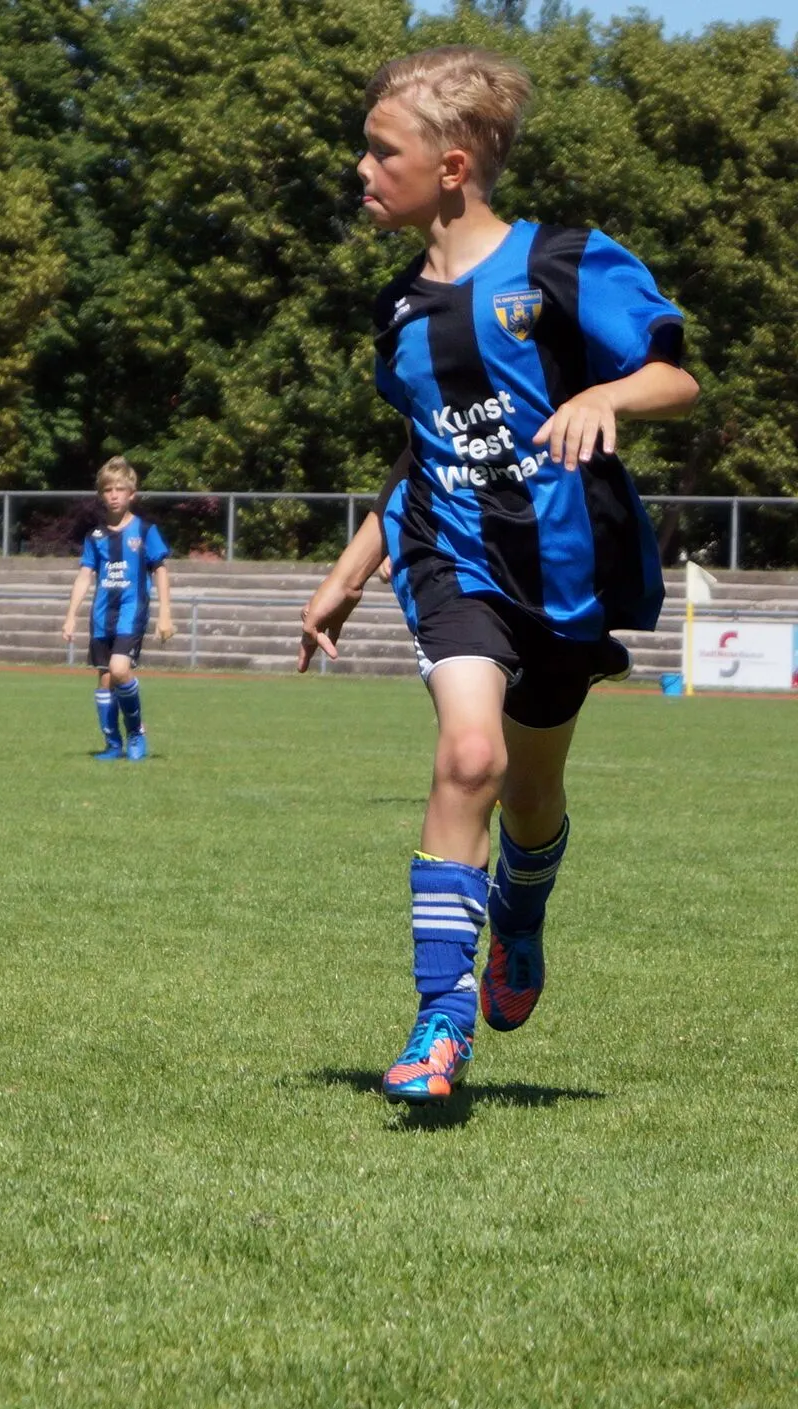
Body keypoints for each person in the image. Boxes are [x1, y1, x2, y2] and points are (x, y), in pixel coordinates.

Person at [297, 47, 699, 1104]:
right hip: (450, 559)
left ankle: (518, 916)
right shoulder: (396, 312)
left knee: (531, 794)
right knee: (469, 756)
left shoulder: (564, 262)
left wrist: (608, 396)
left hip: (565, 575)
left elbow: (676, 375)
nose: (361, 169)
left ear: (451, 166)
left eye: (381, 151)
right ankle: (441, 1017)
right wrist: (348, 570)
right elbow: (421, 455)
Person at [60, 457, 174, 760]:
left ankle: (136, 732)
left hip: (131, 611)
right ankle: (113, 745)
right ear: (102, 494)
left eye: (120, 489)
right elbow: (85, 575)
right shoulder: (95, 537)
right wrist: (71, 616)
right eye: (108, 489)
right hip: (102, 616)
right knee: (105, 680)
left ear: (131, 494)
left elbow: (160, 570)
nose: (114, 495)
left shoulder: (145, 531)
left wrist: (165, 614)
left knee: (120, 669)